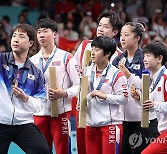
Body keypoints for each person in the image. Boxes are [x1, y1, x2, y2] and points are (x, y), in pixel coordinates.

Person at [74, 9, 123, 154]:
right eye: (100, 25)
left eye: (106, 26)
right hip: (83, 106)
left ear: (115, 32)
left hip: (106, 114)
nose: (101, 29)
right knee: (83, 148)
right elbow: (76, 74)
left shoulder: (119, 56)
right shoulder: (84, 46)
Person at [30, 18, 80, 154]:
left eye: (45, 31)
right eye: (39, 32)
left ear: (54, 34)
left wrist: (64, 93)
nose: (41, 35)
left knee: (63, 151)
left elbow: (79, 85)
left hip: (60, 114)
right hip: (38, 114)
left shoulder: (66, 57)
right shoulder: (31, 61)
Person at [0, 24, 51, 154]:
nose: (16, 39)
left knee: (43, 151)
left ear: (31, 43)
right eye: (14, 36)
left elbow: (40, 105)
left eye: (21, 36)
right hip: (0, 122)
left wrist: (26, 98)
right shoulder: (1, 61)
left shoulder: (36, 73)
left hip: (23, 124)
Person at [112, 22, 159, 154]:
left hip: (144, 119)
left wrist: (128, 75)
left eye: (126, 35)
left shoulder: (146, 58)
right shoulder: (117, 60)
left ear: (137, 38)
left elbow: (148, 86)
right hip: (124, 120)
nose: (122, 38)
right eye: (121, 35)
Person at [84, 36, 128, 154]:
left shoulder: (117, 74)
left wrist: (105, 96)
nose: (92, 52)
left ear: (107, 53)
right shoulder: (86, 71)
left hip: (110, 125)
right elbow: (84, 92)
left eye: (97, 50)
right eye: (92, 49)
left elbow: (124, 99)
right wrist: (82, 102)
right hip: (90, 124)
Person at [141, 42, 167, 154]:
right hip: (165, 131)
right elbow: (152, 105)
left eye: (148, 55)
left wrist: (156, 105)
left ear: (159, 59)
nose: (144, 58)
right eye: (144, 56)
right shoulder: (153, 80)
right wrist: (140, 98)